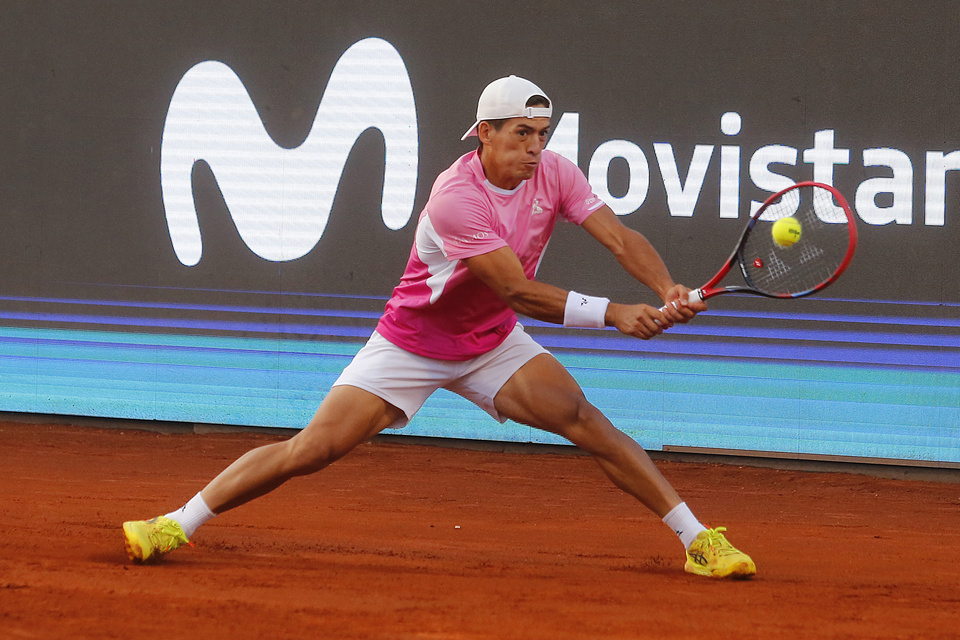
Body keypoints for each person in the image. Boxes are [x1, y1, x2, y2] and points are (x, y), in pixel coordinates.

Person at [123, 75, 756, 579]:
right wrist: (613, 314)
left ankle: (698, 540)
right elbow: (514, 288)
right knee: (310, 451)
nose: (536, 146)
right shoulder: (457, 196)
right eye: (522, 133)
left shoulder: (554, 172)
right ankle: (176, 522)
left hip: (490, 344)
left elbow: (617, 236)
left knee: (587, 422)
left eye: (543, 133)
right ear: (484, 133)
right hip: (411, 345)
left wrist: (663, 287)